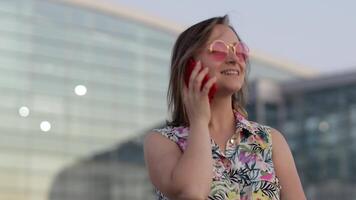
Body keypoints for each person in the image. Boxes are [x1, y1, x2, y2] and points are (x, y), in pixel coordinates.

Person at [144, 15, 306, 200]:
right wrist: (199, 121)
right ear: (189, 65)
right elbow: (192, 192)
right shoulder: (162, 142)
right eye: (219, 49)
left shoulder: (270, 141)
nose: (233, 58)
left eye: (239, 50)